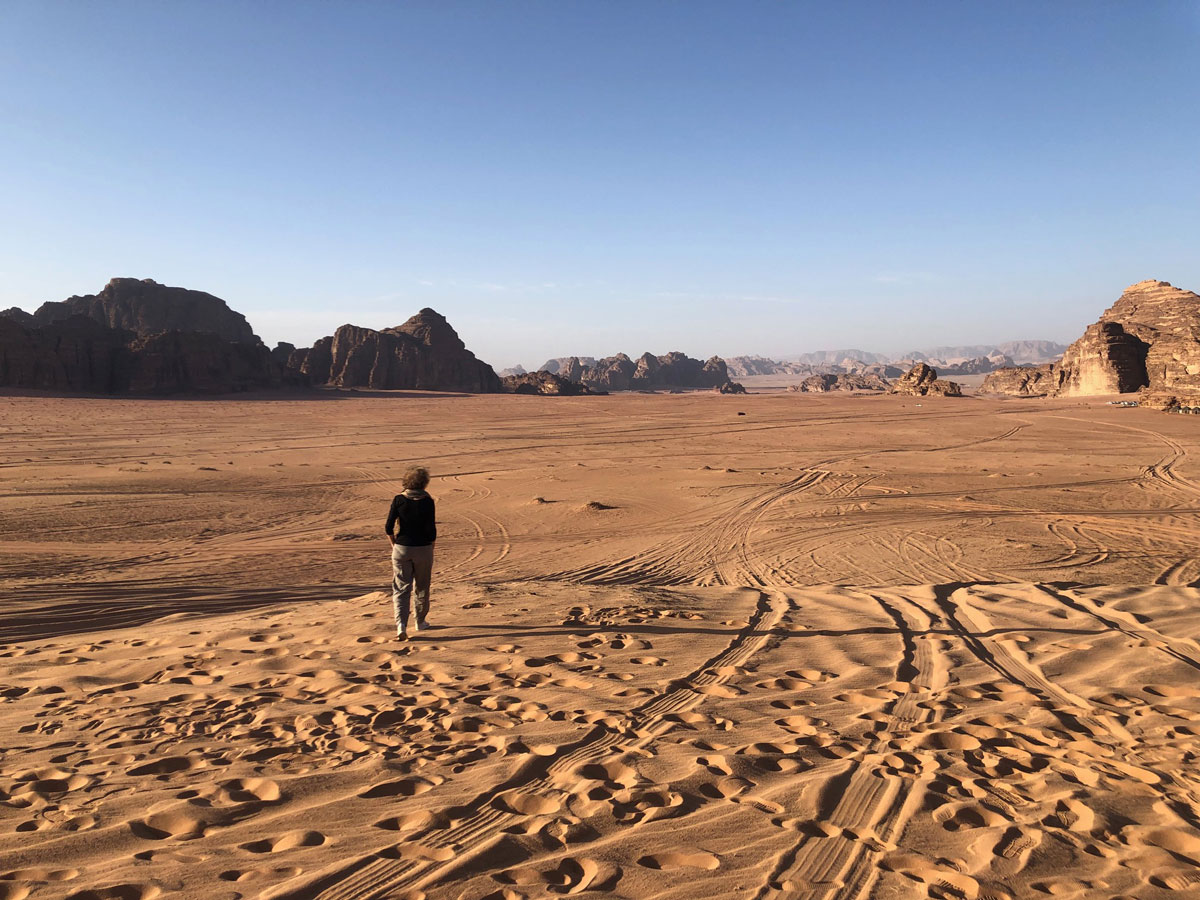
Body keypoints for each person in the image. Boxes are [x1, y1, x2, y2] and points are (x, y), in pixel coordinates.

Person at [385, 466, 436, 640]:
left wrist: (394, 545)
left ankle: (401, 626)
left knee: (401, 588)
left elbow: (388, 527)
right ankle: (420, 622)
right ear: (424, 483)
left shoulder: (398, 500)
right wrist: (431, 547)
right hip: (423, 548)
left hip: (401, 549)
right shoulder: (428, 501)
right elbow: (431, 530)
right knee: (421, 587)